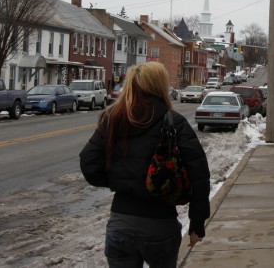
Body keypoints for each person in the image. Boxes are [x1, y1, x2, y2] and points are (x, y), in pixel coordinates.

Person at [80, 62, 210, 268]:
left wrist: (121, 180)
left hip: (120, 223)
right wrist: (197, 222)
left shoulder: (113, 118)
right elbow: (199, 174)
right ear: (160, 86)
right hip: (160, 225)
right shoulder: (174, 122)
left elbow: (89, 163)